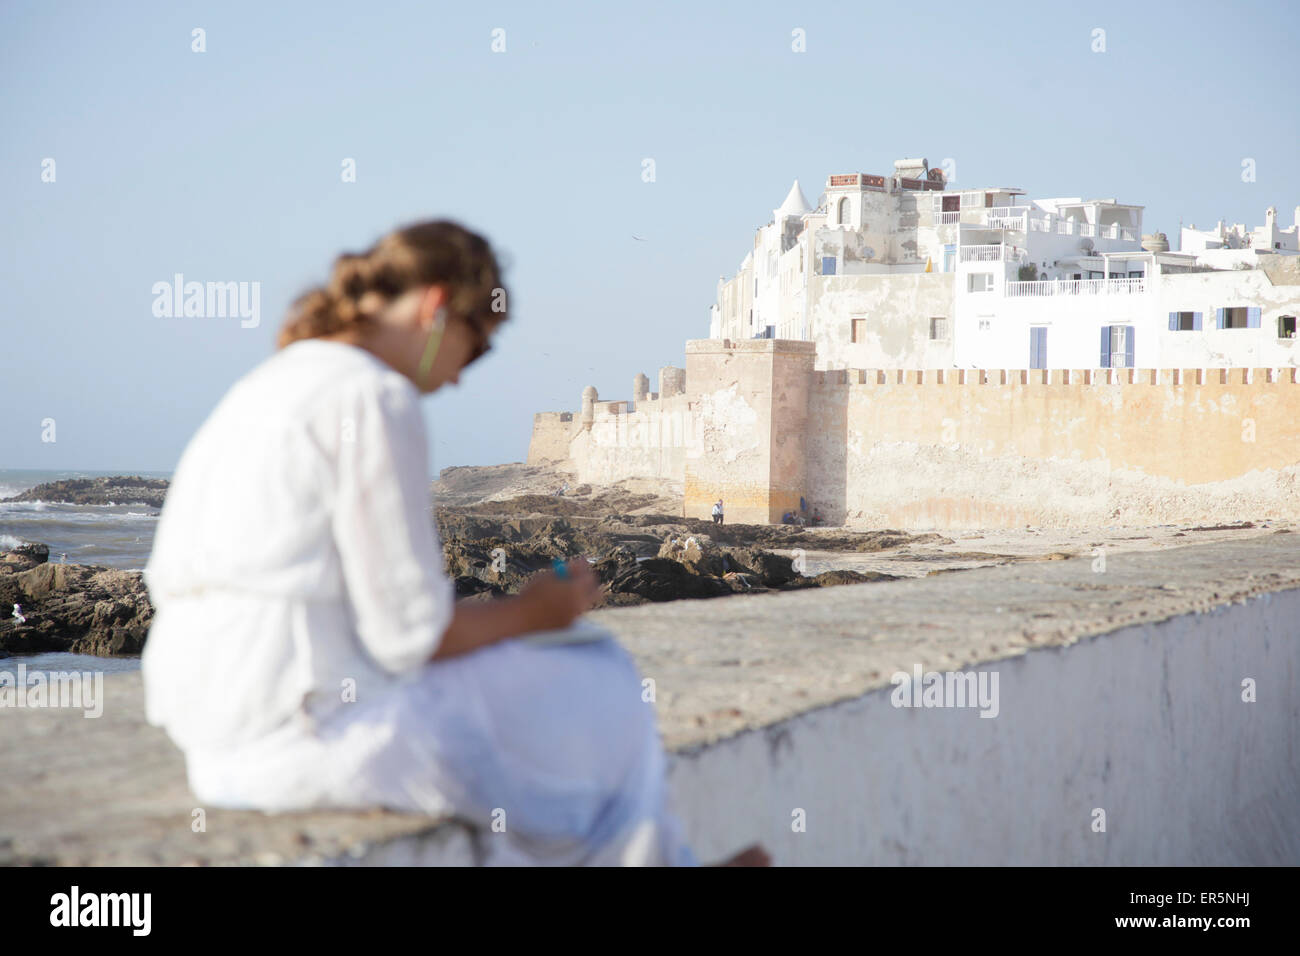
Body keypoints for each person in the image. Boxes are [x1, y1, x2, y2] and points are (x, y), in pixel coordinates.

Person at [141, 220, 767, 867]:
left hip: (215, 739)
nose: (463, 379)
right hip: (302, 740)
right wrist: (535, 612)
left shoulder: (274, 384)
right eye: (476, 349)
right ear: (437, 309)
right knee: (599, 672)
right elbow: (409, 636)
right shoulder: (371, 396)